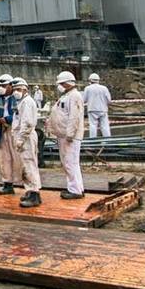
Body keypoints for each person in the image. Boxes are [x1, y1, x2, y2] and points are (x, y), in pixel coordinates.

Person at [48, 71, 86, 199]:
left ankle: (75, 190)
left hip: (69, 136)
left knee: (70, 162)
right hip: (63, 134)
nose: (60, 86)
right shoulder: (67, 96)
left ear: (68, 83)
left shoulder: (74, 96)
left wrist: (70, 134)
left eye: (62, 83)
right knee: (70, 163)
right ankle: (77, 187)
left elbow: (74, 117)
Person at [11, 78, 42, 208]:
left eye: (18, 89)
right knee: (25, 166)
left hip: (26, 138)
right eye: (14, 90)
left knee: (29, 165)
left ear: (25, 89)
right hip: (23, 136)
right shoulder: (22, 102)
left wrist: (21, 139)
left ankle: (34, 194)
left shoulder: (27, 102)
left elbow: (28, 123)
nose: (16, 92)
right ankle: (30, 191)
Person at [84, 73, 112, 139]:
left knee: (93, 126)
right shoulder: (104, 88)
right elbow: (109, 100)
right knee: (105, 126)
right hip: (103, 109)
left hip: (92, 109)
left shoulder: (88, 88)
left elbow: (84, 99)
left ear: (90, 80)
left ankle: (93, 141)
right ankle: (107, 141)